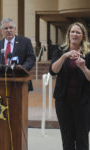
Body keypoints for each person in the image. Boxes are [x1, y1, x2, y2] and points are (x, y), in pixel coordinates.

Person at [49, 22, 90, 150]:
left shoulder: (88, 53)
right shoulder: (60, 50)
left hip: (83, 103)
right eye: (72, 31)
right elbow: (53, 71)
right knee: (67, 140)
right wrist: (64, 57)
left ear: (83, 36)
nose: (75, 34)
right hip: (63, 102)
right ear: (68, 34)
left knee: (82, 140)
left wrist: (83, 67)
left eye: (78, 32)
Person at [0, 18, 36, 90]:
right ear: (1, 31)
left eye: (11, 28)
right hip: (1, 82)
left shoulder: (25, 42)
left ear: (15, 29)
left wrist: (22, 68)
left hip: (20, 81)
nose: (9, 30)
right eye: (6, 28)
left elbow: (31, 58)